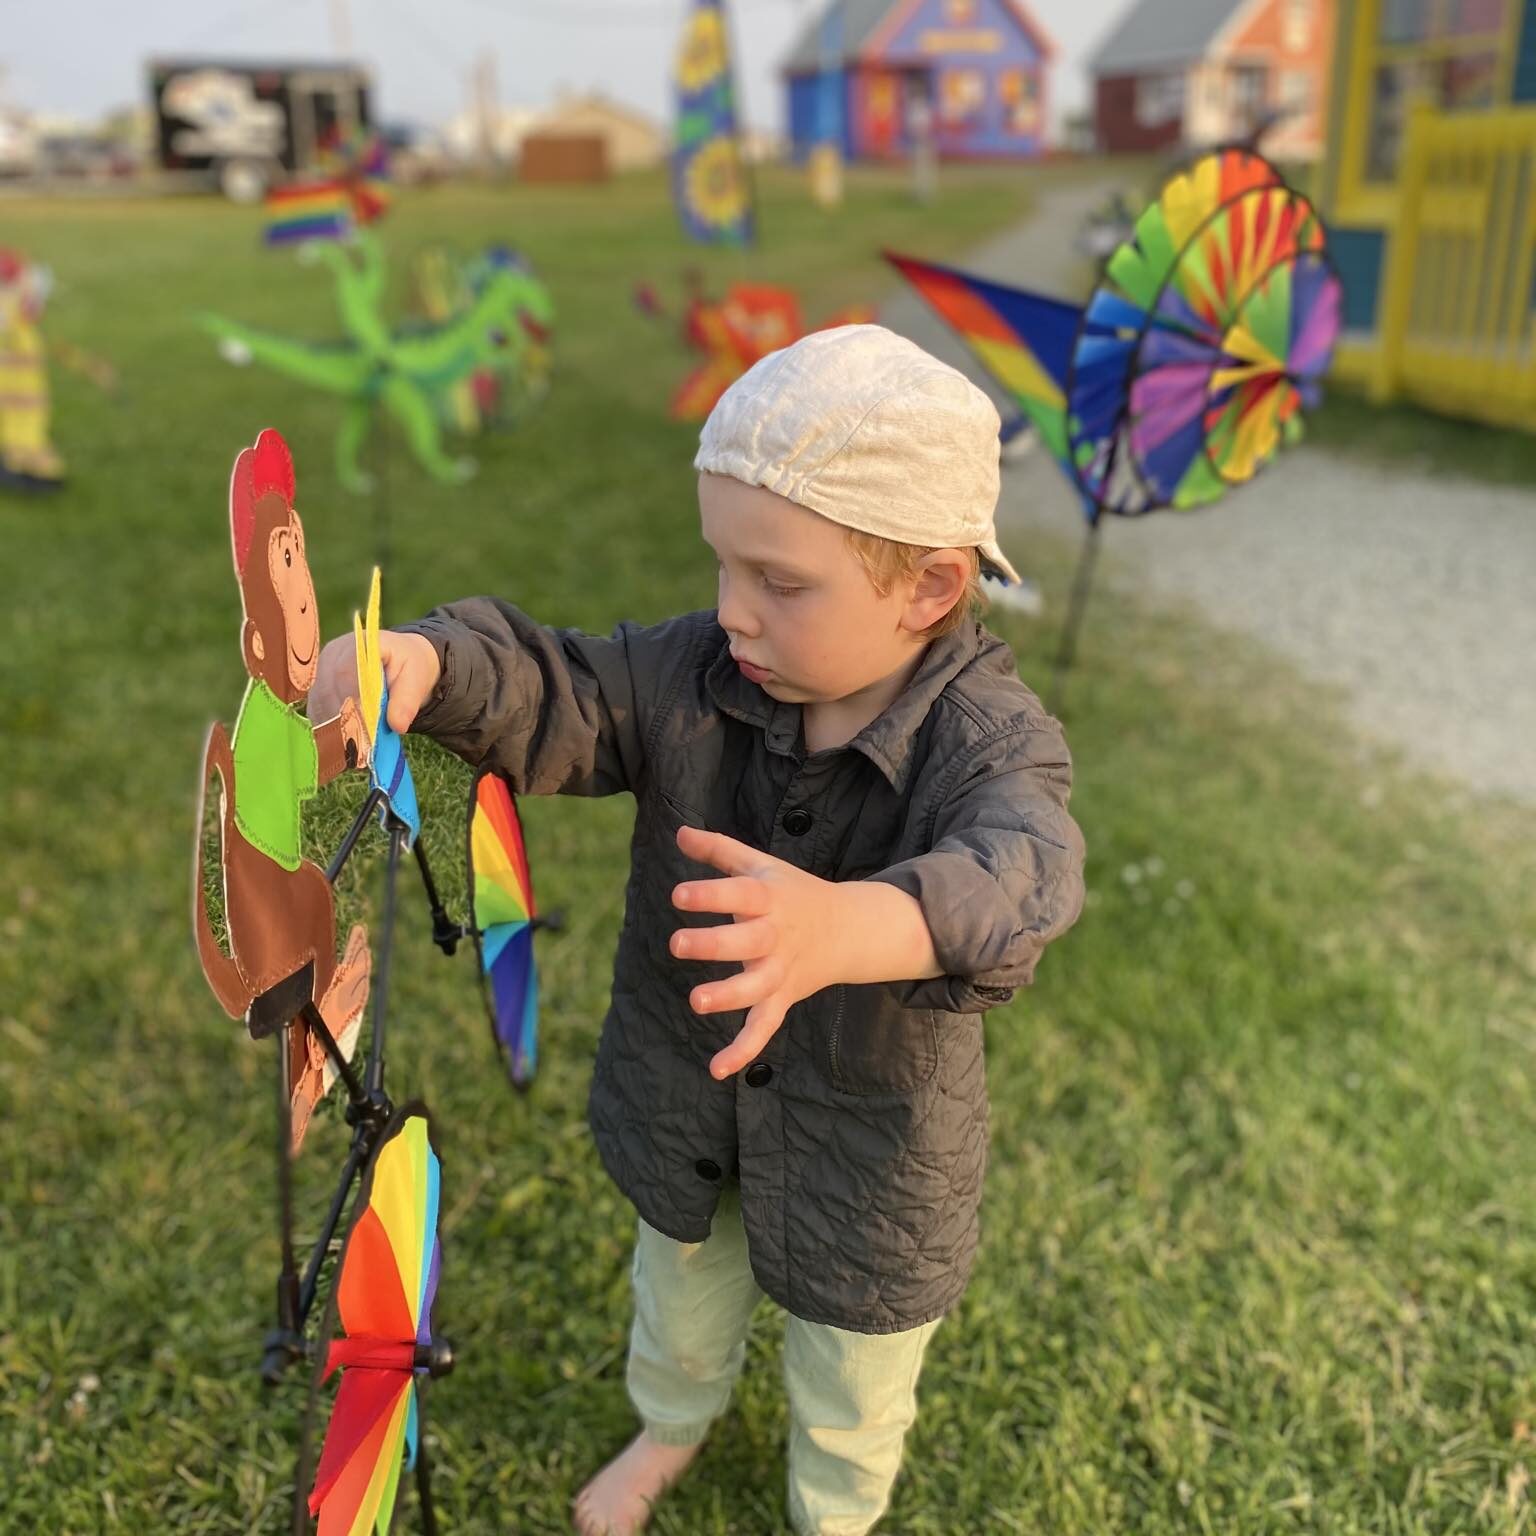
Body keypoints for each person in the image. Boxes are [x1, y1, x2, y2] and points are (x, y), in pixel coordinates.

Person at [309, 323, 1087, 1535]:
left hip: (867, 1158)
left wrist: (848, 927)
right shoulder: (698, 671)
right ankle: (668, 1429)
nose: (733, 611)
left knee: (851, 1380)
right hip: (687, 1103)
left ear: (929, 587)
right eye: (723, 564)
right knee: (677, 1304)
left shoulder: (990, 740)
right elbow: (561, 686)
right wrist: (430, 663)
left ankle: (835, 1513)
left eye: (780, 581)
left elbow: (1024, 874)